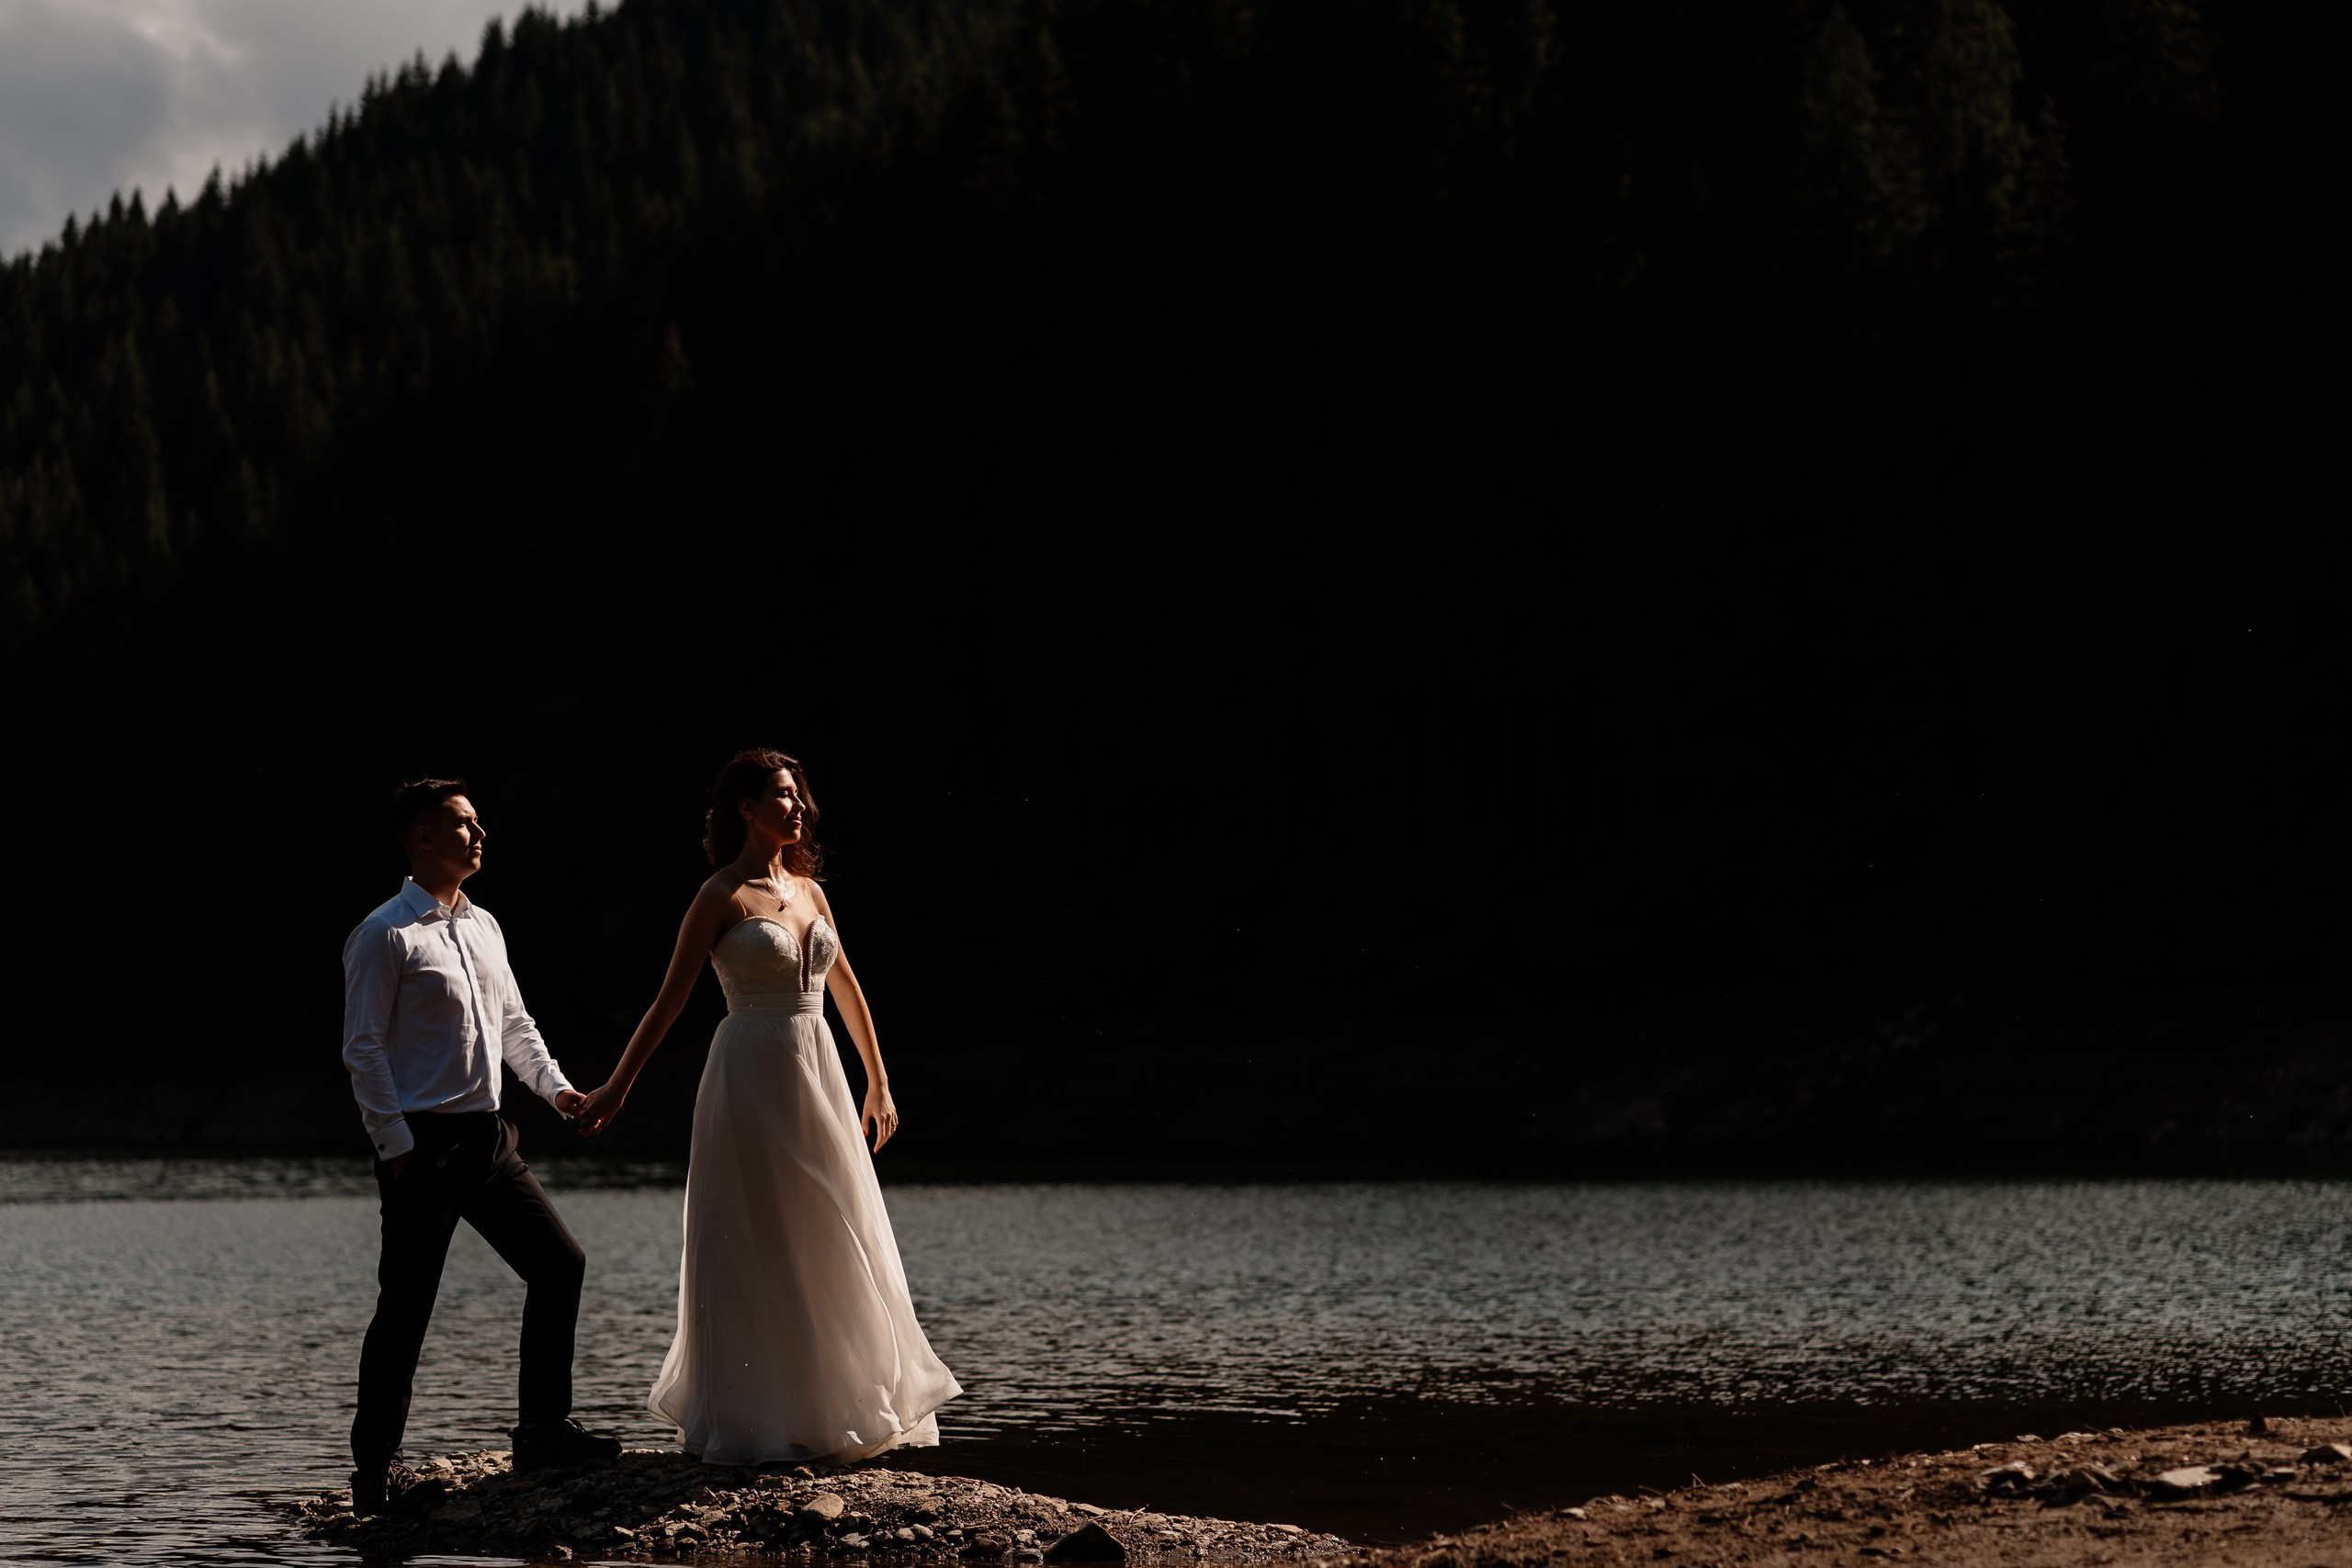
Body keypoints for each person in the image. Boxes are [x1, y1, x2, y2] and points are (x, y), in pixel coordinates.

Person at [578, 749, 961, 1463]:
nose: (797, 807)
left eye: (799, 796)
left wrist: (878, 1081)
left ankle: (832, 1409)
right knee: (759, 1234)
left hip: (819, 1072)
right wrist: (617, 1086)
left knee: (833, 1224)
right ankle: (756, 1416)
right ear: (745, 809)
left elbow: (846, 987)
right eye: (782, 797)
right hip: (749, 1073)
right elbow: (669, 1001)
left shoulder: (812, 890)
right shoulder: (718, 894)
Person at [342, 779, 620, 1512]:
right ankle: (373, 1471)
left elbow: (514, 1026)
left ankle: (542, 1429)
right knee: (406, 1306)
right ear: (423, 837)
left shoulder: (486, 926)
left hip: (490, 1139)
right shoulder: (384, 934)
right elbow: (363, 1048)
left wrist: (559, 1092)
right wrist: (395, 1144)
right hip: (421, 1144)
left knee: (560, 1263)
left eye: (478, 822)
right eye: (463, 824)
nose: (480, 833)